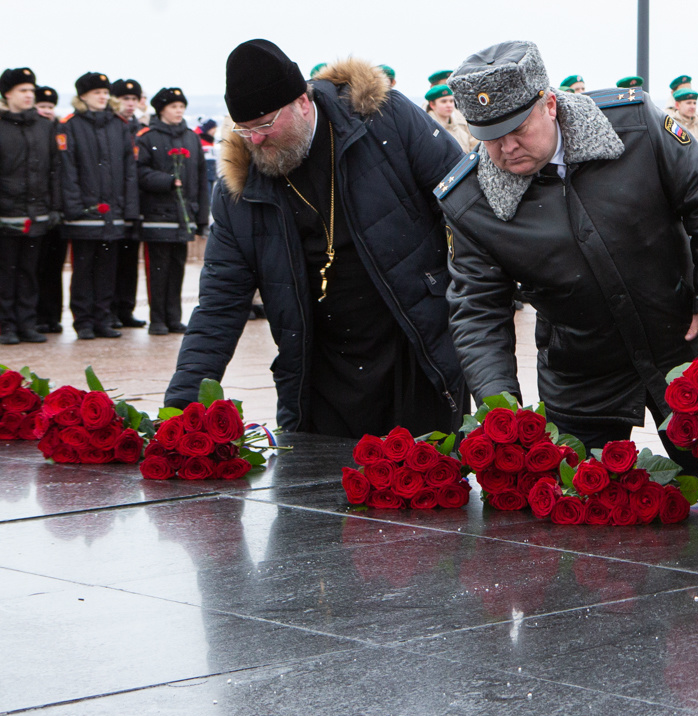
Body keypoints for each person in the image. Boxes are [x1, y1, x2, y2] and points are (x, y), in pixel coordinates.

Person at [434, 43, 698, 460]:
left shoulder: (634, 126)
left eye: (518, 130)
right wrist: (499, 408)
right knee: (583, 506)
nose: (506, 149)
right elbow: (477, 309)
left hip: (680, 344)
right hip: (580, 372)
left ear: (550, 105)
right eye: (490, 138)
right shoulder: (471, 200)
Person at [164, 42, 468, 435]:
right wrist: (181, 410)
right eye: (245, 129)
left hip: (413, 346)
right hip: (319, 366)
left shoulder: (383, 119)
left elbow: (464, 204)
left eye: (265, 125)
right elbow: (220, 302)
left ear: (303, 104)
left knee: (422, 482)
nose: (254, 141)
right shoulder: (240, 187)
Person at [59, 72, 139, 338]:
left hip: (113, 212)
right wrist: (75, 208)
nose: (103, 96)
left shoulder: (119, 125)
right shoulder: (70, 125)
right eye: (97, 93)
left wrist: (128, 208)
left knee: (107, 269)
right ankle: (83, 321)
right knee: (83, 270)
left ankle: (103, 318)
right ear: (83, 96)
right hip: (84, 212)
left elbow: (129, 170)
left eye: (105, 92)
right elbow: (67, 170)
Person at [133, 87, 208, 335]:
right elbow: (139, 172)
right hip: (157, 215)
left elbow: (199, 178)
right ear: (162, 109)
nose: (179, 111)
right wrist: (165, 180)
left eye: (182, 107)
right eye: (174, 107)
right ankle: (157, 319)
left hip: (183, 215)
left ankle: (174, 317)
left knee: (177, 269)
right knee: (158, 270)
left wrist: (200, 217)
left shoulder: (191, 138)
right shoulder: (147, 137)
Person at [0, 67, 61, 345]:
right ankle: (6, 325)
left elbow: (54, 170)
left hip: (37, 213)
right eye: (23, 90)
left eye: (30, 90)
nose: (28, 95)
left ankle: (26, 323)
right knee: (5, 272)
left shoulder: (45, 126)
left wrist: (53, 207)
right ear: (8, 93)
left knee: (29, 273)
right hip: (6, 214)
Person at [109, 78, 147, 328]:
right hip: (115, 202)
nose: (130, 104)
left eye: (134, 99)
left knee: (129, 261)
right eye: (125, 99)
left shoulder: (140, 128)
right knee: (111, 262)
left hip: (137, 202)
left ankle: (125, 308)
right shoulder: (111, 126)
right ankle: (110, 310)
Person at [31, 85, 66, 332]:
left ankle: (51, 316)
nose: (46, 111)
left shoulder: (59, 132)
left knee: (53, 268)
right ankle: (33, 316)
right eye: (41, 107)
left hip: (58, 210)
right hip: (35, 210)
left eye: (50, 107)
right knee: (33, 269)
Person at [424, 84, 475, 154]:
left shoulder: (460, 126)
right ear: (432, 105)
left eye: (451, 101)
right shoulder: (427, 128)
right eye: (443, 101)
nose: (449, 105)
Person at [671, 86, 698, 153]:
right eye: (688, 103)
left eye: (694, 103)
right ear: (677, 105)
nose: (693, 106)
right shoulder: (671, 127)